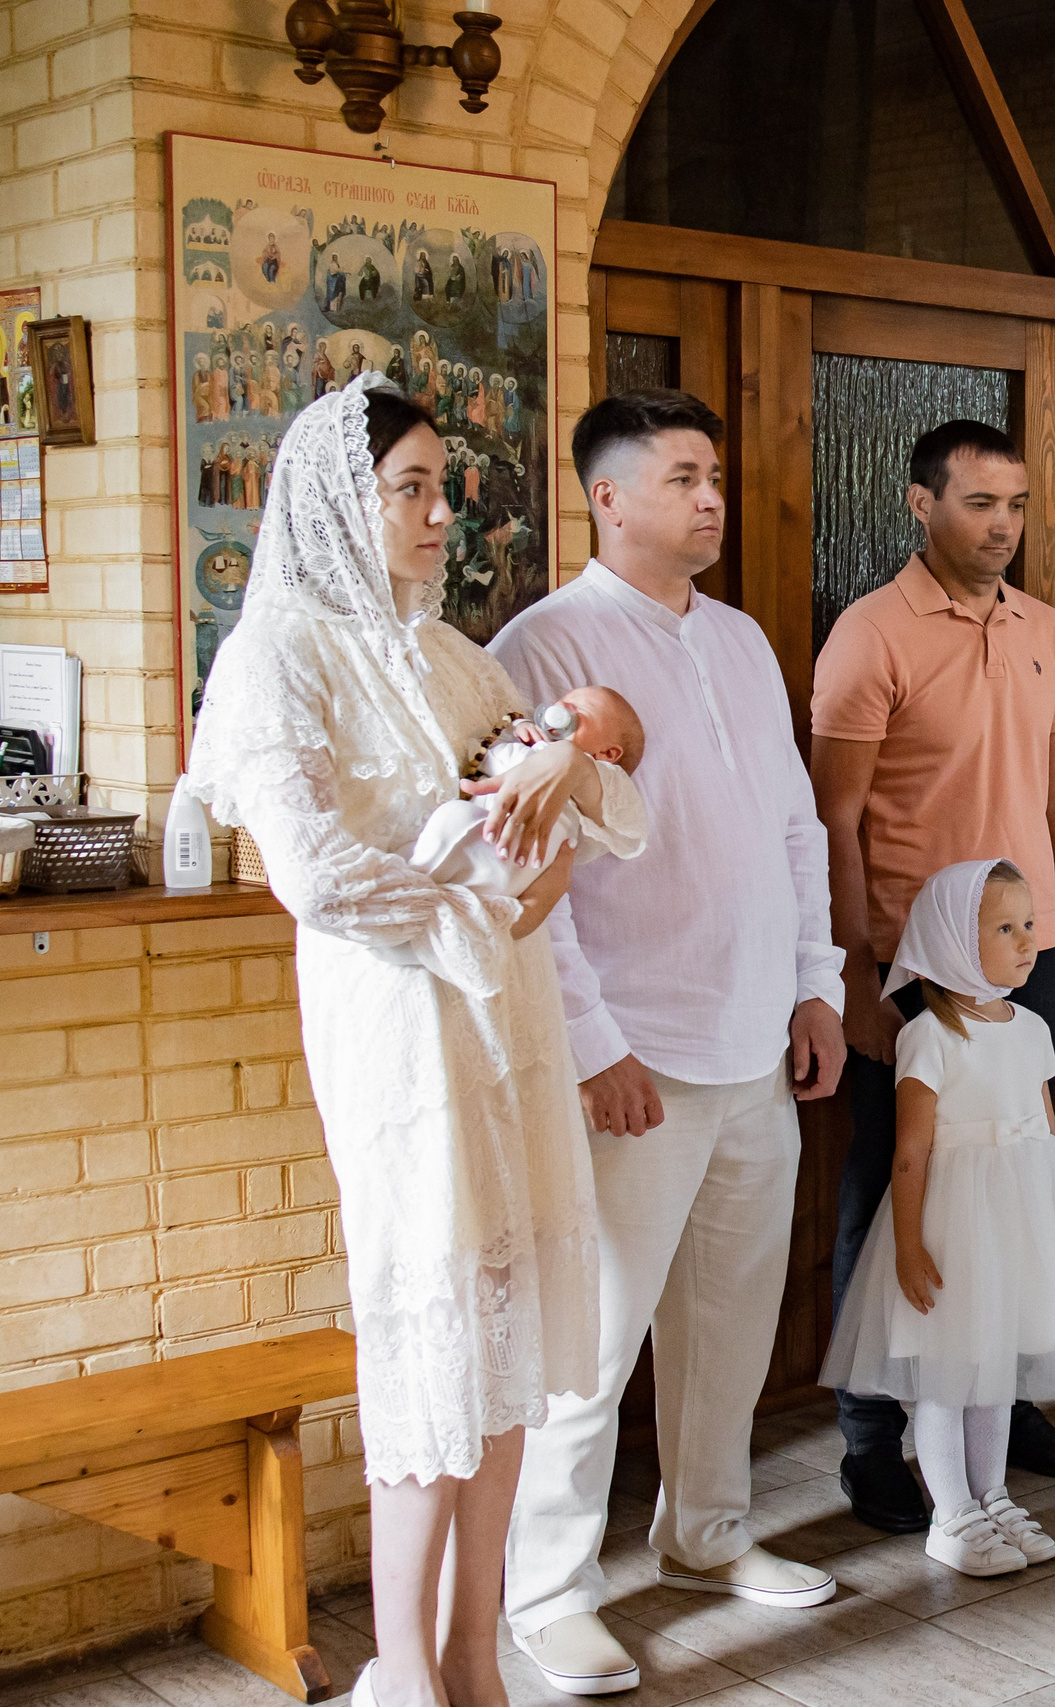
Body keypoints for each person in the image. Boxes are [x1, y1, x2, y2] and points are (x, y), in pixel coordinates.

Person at [185, 378, 646, 1707]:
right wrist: (478, 916)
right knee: (431, 1347)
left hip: (509, 1026)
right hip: (397, 1029)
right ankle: (405, 1667)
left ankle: (473, 1653)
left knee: (504, 1355)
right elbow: (315, 873)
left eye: (446, 487)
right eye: (413, 488)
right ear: (343, 498)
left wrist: (571, 774)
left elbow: (604, 813)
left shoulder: (454, 654)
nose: (445, 512)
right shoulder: (277, 652)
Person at [494, 389, 850, 1689]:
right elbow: (521, 870)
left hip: (756, 1034)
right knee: (591, 1342)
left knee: (729, 1320)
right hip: (634, 1046)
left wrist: (816, 983)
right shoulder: (542, 645)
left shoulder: (742, 638)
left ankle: (705, 1534)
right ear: (608, 497)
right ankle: (546, 1590)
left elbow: (795, 826)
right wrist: (592, 1043)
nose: (711, 498)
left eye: (715, 476)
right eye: (684, 476)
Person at [810, 418, 1055, 1535]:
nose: (1003, 526)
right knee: (890, 1183)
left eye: (1017, 504)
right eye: (980, 503)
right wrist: (852, 978)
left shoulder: (1044, 627)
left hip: (1032, 955)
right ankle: (870, 1439)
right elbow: (833, 820)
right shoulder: (869, 635)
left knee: (1017, 1180)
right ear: (920, 503)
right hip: (916, 968)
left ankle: (1005, 1405)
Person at [823, 860, 1055, 1577]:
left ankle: (990, 1493)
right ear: (950, 941)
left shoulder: (1030, 1027)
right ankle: (950, 1513)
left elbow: (1047, 1129)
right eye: (1005, 928)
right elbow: (910, 1153)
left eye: (1029, 924)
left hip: (1016, 1223)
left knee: (995, 1372)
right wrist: (908, 1246)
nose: (1028, 941)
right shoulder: (928, 1037)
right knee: (949, 1375)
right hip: (955, 1227)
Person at [402, 687, 645, 906]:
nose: (560, 707)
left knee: (454, 818)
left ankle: (412, 884)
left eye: (580, 710)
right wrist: (519, 727)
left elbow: (487, 754)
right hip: (509, 869)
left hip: (508, 858)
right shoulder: (536, 748)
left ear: (608, 754)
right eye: (561, 701)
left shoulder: (602, 781)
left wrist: (511, 743)